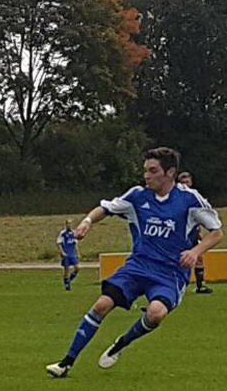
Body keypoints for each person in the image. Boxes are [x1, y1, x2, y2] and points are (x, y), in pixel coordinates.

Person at [46, 147, 223, 378]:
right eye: (145, 170)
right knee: (101, 305)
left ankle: (122, 343)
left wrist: (195, 250)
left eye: (153, 171)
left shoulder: (189, 199)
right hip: (138, 266)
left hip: (170, 273)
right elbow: (105, 208)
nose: (147, 176)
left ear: (170, 173)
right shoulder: (137, 196)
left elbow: (217, 232)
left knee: (156, 314)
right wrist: (87, 221)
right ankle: (65, 363)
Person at [177, 171, 213, 294]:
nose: (185, 185)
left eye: (187, 182)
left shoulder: (195, 196)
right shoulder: (178, 198)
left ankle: (200, 285)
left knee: (199, 257)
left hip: (193, 233)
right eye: (183, 182)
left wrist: (199, 232)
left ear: (191, 182)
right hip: (181, 234)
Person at [57, 219, 80, 291]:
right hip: (66, 254)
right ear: (66, 225)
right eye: (68, 224)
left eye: (70, 224)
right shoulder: (63, 233)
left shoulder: (74, 233)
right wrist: (62, 252)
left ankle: (69, 280)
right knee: (66, 269)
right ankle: (67, 285)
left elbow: (75, 244)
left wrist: (77, 253)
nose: (69, 225)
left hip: (72, 253)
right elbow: (59, 243)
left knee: (77, 268)